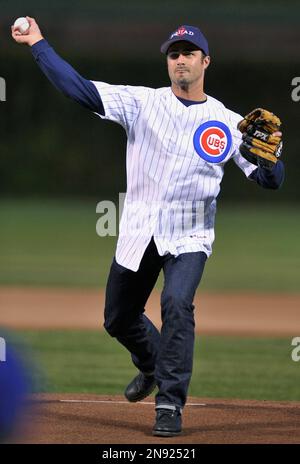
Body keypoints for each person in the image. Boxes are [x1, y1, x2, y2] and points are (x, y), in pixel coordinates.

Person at [12, 19, 284, 437]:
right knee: (118, 318)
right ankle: (151, 365)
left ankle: (170, 404)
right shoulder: (142, 103)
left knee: (177, 304)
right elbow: (79, 89)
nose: (180, 60)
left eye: (188, 53)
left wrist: (270, 160)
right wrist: (39, 43)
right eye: (173, 53)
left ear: (205, 61)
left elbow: (271, 180)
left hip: (190, 235)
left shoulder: (229, 123)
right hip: (140, 231)